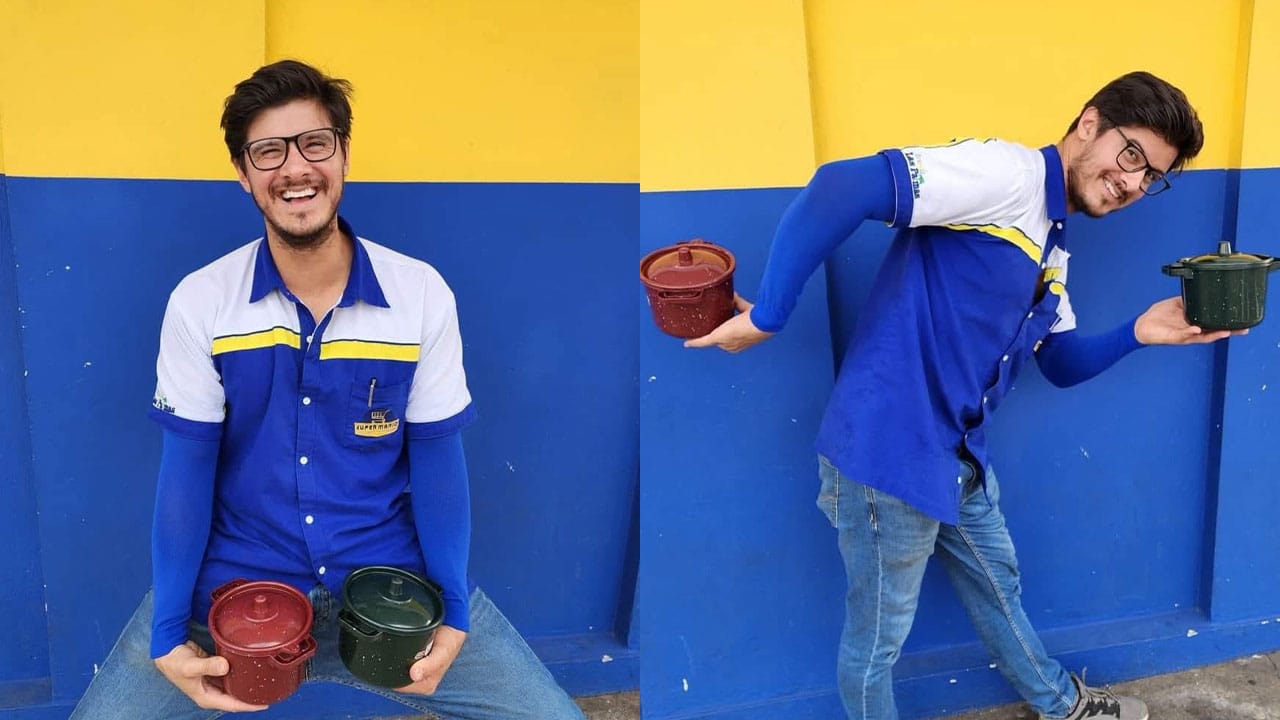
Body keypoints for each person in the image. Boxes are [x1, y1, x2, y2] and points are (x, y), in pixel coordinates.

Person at [685, 71, 1229, 720]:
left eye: (1152, 175)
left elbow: (1058, 361)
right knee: (877, 643)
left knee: (999, 586)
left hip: (956, 463)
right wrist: (770, 314)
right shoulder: (1006, 176)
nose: (1135, 182)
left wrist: (1141, 331)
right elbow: (841, 184)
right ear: (1089, 124)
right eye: (1132, 154)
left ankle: (1063, 706)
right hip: (885, 465)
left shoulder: (1050, 244)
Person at [71, 59, 585, 720]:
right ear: (243, 173)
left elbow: (435, 460)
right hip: (231, 593)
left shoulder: (418, 293)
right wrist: (170, 631)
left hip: (389, 591)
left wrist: (453, 609)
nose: (295, 168)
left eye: (315, 143)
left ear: (343, 154)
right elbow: (186, 472)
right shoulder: (202, 302)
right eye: (268, 151)